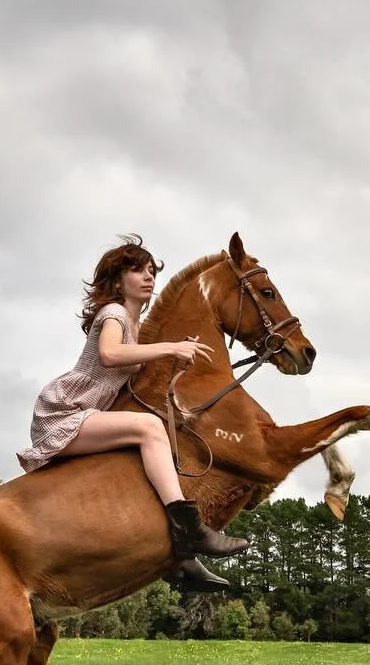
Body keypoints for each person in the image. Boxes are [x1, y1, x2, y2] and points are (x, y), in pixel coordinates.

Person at [16, 234, 248, 593]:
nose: (148, 276)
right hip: (64, 413)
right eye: (137, 270)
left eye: (151, 270)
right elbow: (109, 355)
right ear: (116, 281)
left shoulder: (136, 329)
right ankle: (192, 530)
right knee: (149, 428)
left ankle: (179, 555)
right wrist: (171, 346)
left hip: (86, 412)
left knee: (158, 447)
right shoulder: (115, 315)